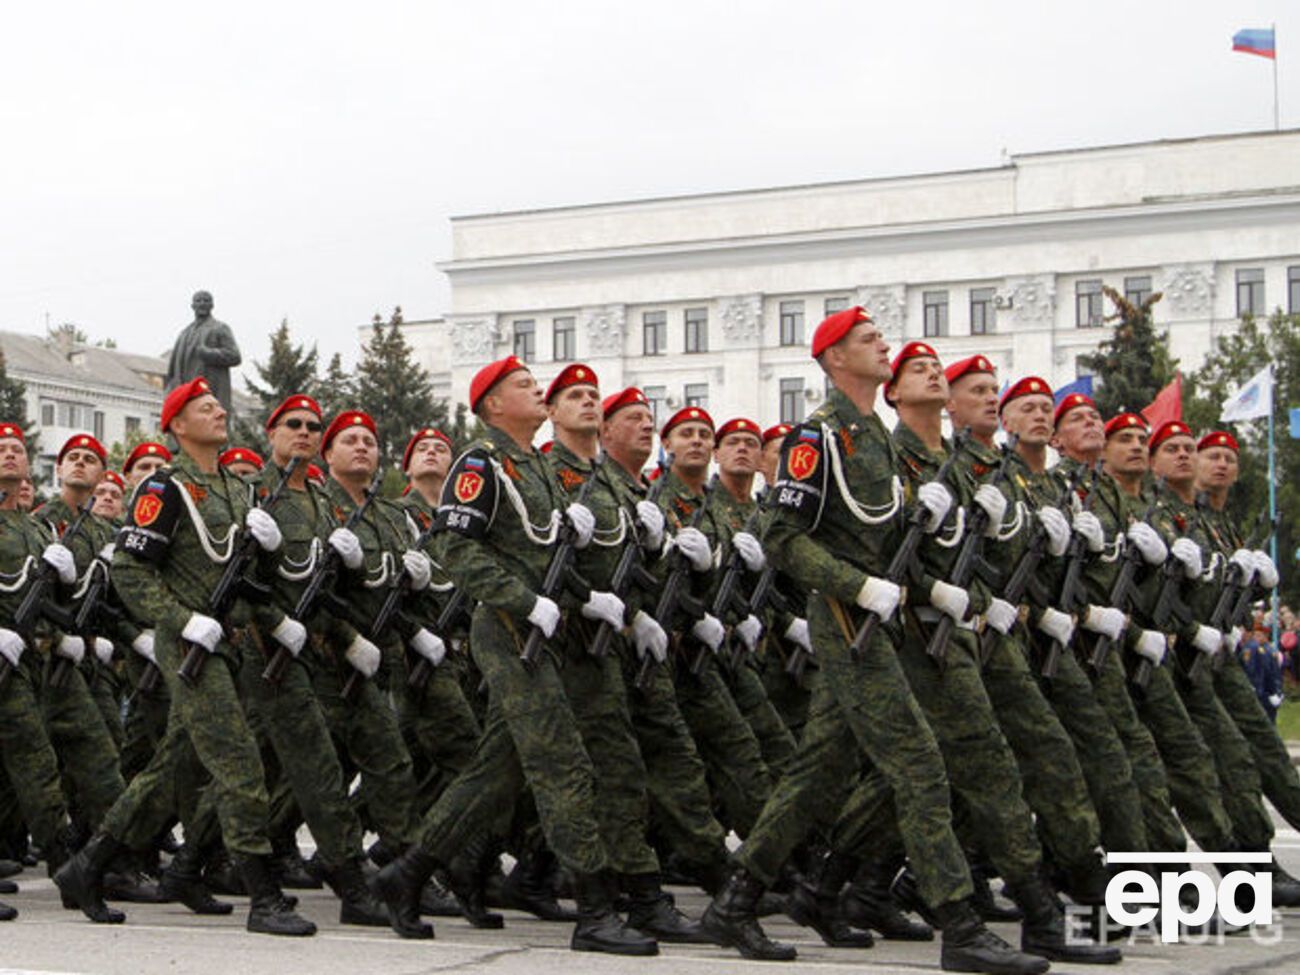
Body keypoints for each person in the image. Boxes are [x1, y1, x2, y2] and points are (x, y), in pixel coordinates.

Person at [700, 307, 1050, 974]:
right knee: (919, 763)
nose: (883, 344)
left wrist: (945, 583)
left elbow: (893, 546)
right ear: (834, 357)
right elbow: (779, 536)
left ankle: (737, 900)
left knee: (816, 774)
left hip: (875, 624)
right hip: (843, 621)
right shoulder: (820, 437)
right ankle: (960, 923)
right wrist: (856, 586)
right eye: (867, 339)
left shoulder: (879, 441)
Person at [376, 356, 656, 955]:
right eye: (525, 385)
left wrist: (597, 601)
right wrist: (524, 601)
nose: (537, 390)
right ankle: (597, 912)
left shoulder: (538, 468)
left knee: (494, 773)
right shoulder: (482, 463)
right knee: (563, 764)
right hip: (508, 631)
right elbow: (452, 545)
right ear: (493, 404)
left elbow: (549, 562)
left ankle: (406, 875)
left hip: (544, 630)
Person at [55, 377, 317, 936]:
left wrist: (269, 565)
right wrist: (180, 621)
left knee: (173, 765)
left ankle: (88, 865)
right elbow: (129, 569)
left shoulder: (236, 490)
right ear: (176, 425)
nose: (219, 410)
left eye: (218, 404)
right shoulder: (166, 490)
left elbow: (250, 582)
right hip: (190, 647)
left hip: (227, 643)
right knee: (240, 762)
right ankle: (264, 897)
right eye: (205, 407)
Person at [165, 291, 241, 408]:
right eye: (198, 301)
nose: (202, 304)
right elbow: (173, 372)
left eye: (206, 301)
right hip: (186, 396)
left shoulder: (220, 328)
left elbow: (235, 356)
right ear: (193, 306)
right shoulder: (184, 334)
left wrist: (208, 353)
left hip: (210, 393)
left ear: (212, 305)